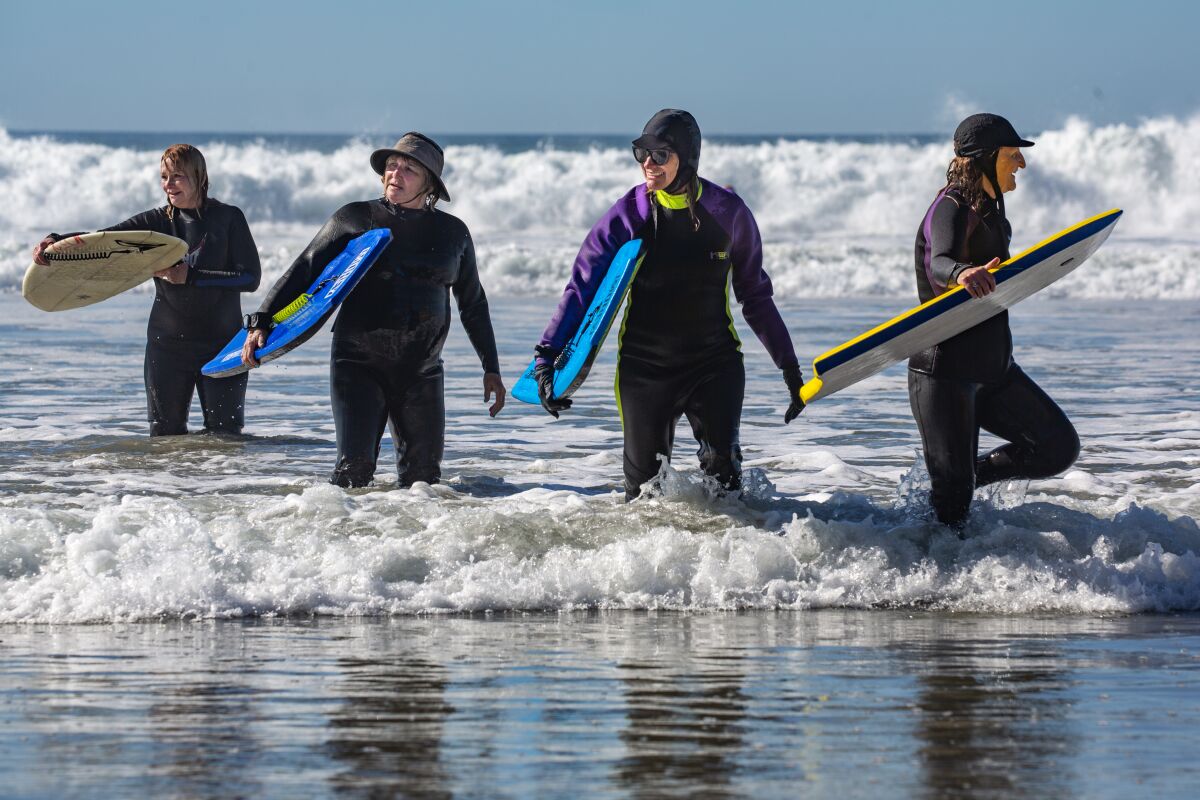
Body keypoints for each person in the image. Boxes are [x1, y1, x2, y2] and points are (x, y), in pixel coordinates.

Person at [532, 109, 804, 500]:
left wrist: (789, 368)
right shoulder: (630, 214)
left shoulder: (729, 214)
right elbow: (583, 286)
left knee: (725, 486)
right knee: (643, 500)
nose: (648, 163)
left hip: (714, 365)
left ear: (687, 158)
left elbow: (755, 296)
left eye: (660, 154)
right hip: (645, 371)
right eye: (641, 152)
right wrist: (547, 357)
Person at [242, 132, 505, 488]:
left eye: (408, 169)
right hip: (358, 364)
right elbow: (305, 270)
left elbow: (473, 303)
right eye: (391, 166)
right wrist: (261, 321)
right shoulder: (356, 217)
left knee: (423, 482)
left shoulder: (453, 233)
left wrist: (491, 367)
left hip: (422, 370)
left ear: (429, 184)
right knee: (354, 471)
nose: (395, 174)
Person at [909, 113, 1080, 527]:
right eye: (1012, 153)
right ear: (985, 158)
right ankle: (930, 566)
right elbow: (939, 262)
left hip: (993, 369)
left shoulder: (988, 210)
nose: (1021, 163)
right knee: (952, 511)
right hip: (945, 373)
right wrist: (961, 274)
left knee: (1057, 447)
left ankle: (957, 485)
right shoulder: (950, 206)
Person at [32, 144, 261, 436]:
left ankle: (218, 483)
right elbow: (103, 239)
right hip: (167, 346)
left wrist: (191, 276)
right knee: (164, 435)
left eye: (177, 176)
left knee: (225, 435)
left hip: (222, 345)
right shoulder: (157, 223)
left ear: (199, 177)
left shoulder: (228, 218)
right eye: (164, 177)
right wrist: (55, 240)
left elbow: (250, 278)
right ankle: (171, 485)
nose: (168, 184)